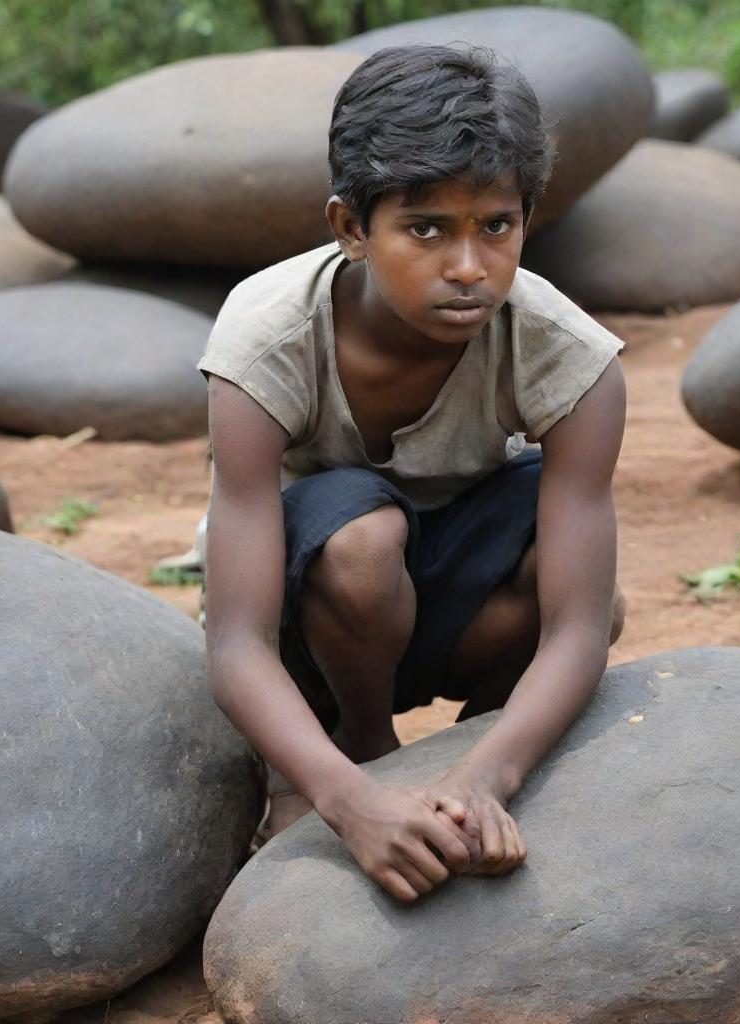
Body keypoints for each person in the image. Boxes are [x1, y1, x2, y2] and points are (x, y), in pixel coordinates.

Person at [200, 43, 627, 903]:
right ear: (351, 228)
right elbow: (236, 637)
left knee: (583, 580)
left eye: (495, 225)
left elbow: (580, 626)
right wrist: (347, 800)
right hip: (314, 623)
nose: (469, 267)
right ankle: (363, 744)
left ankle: (463, 758)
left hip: (452, 615)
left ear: (527, 219)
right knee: (359, 538)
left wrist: (486, 780)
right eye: (426, 228)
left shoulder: (570, 357)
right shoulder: (266, 339)